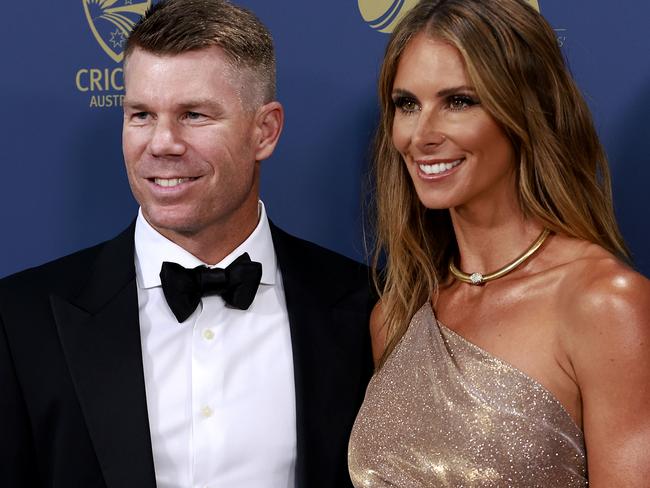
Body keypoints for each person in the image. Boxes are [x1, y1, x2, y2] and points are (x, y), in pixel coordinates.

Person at [0, 1, 374, 487]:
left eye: (193, 115)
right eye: (141, 115)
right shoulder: (21, 321)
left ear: (265, 131)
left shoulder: (369, 308)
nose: (162, 143)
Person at [348, 0, 650, 486]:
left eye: (459, 101)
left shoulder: (605, 305)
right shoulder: (397, 315)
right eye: (407, 104)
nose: (420, 135)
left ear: (524, 112)